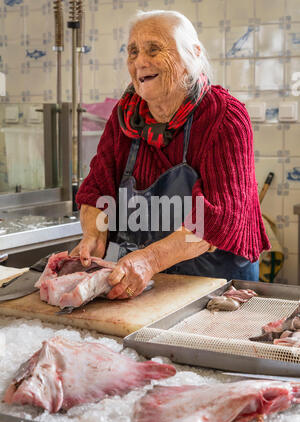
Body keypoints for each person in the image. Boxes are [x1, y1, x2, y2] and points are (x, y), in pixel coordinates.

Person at [71, 9, 270, 300]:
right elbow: (96, 190)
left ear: (193, 54)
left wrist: (150, 259)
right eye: (133, 51)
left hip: (217, 288)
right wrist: (94, 233)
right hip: (144, 289)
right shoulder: (124, 116)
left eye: (154, 49)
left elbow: (220, 219)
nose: (140, 61)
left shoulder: (223, 116)